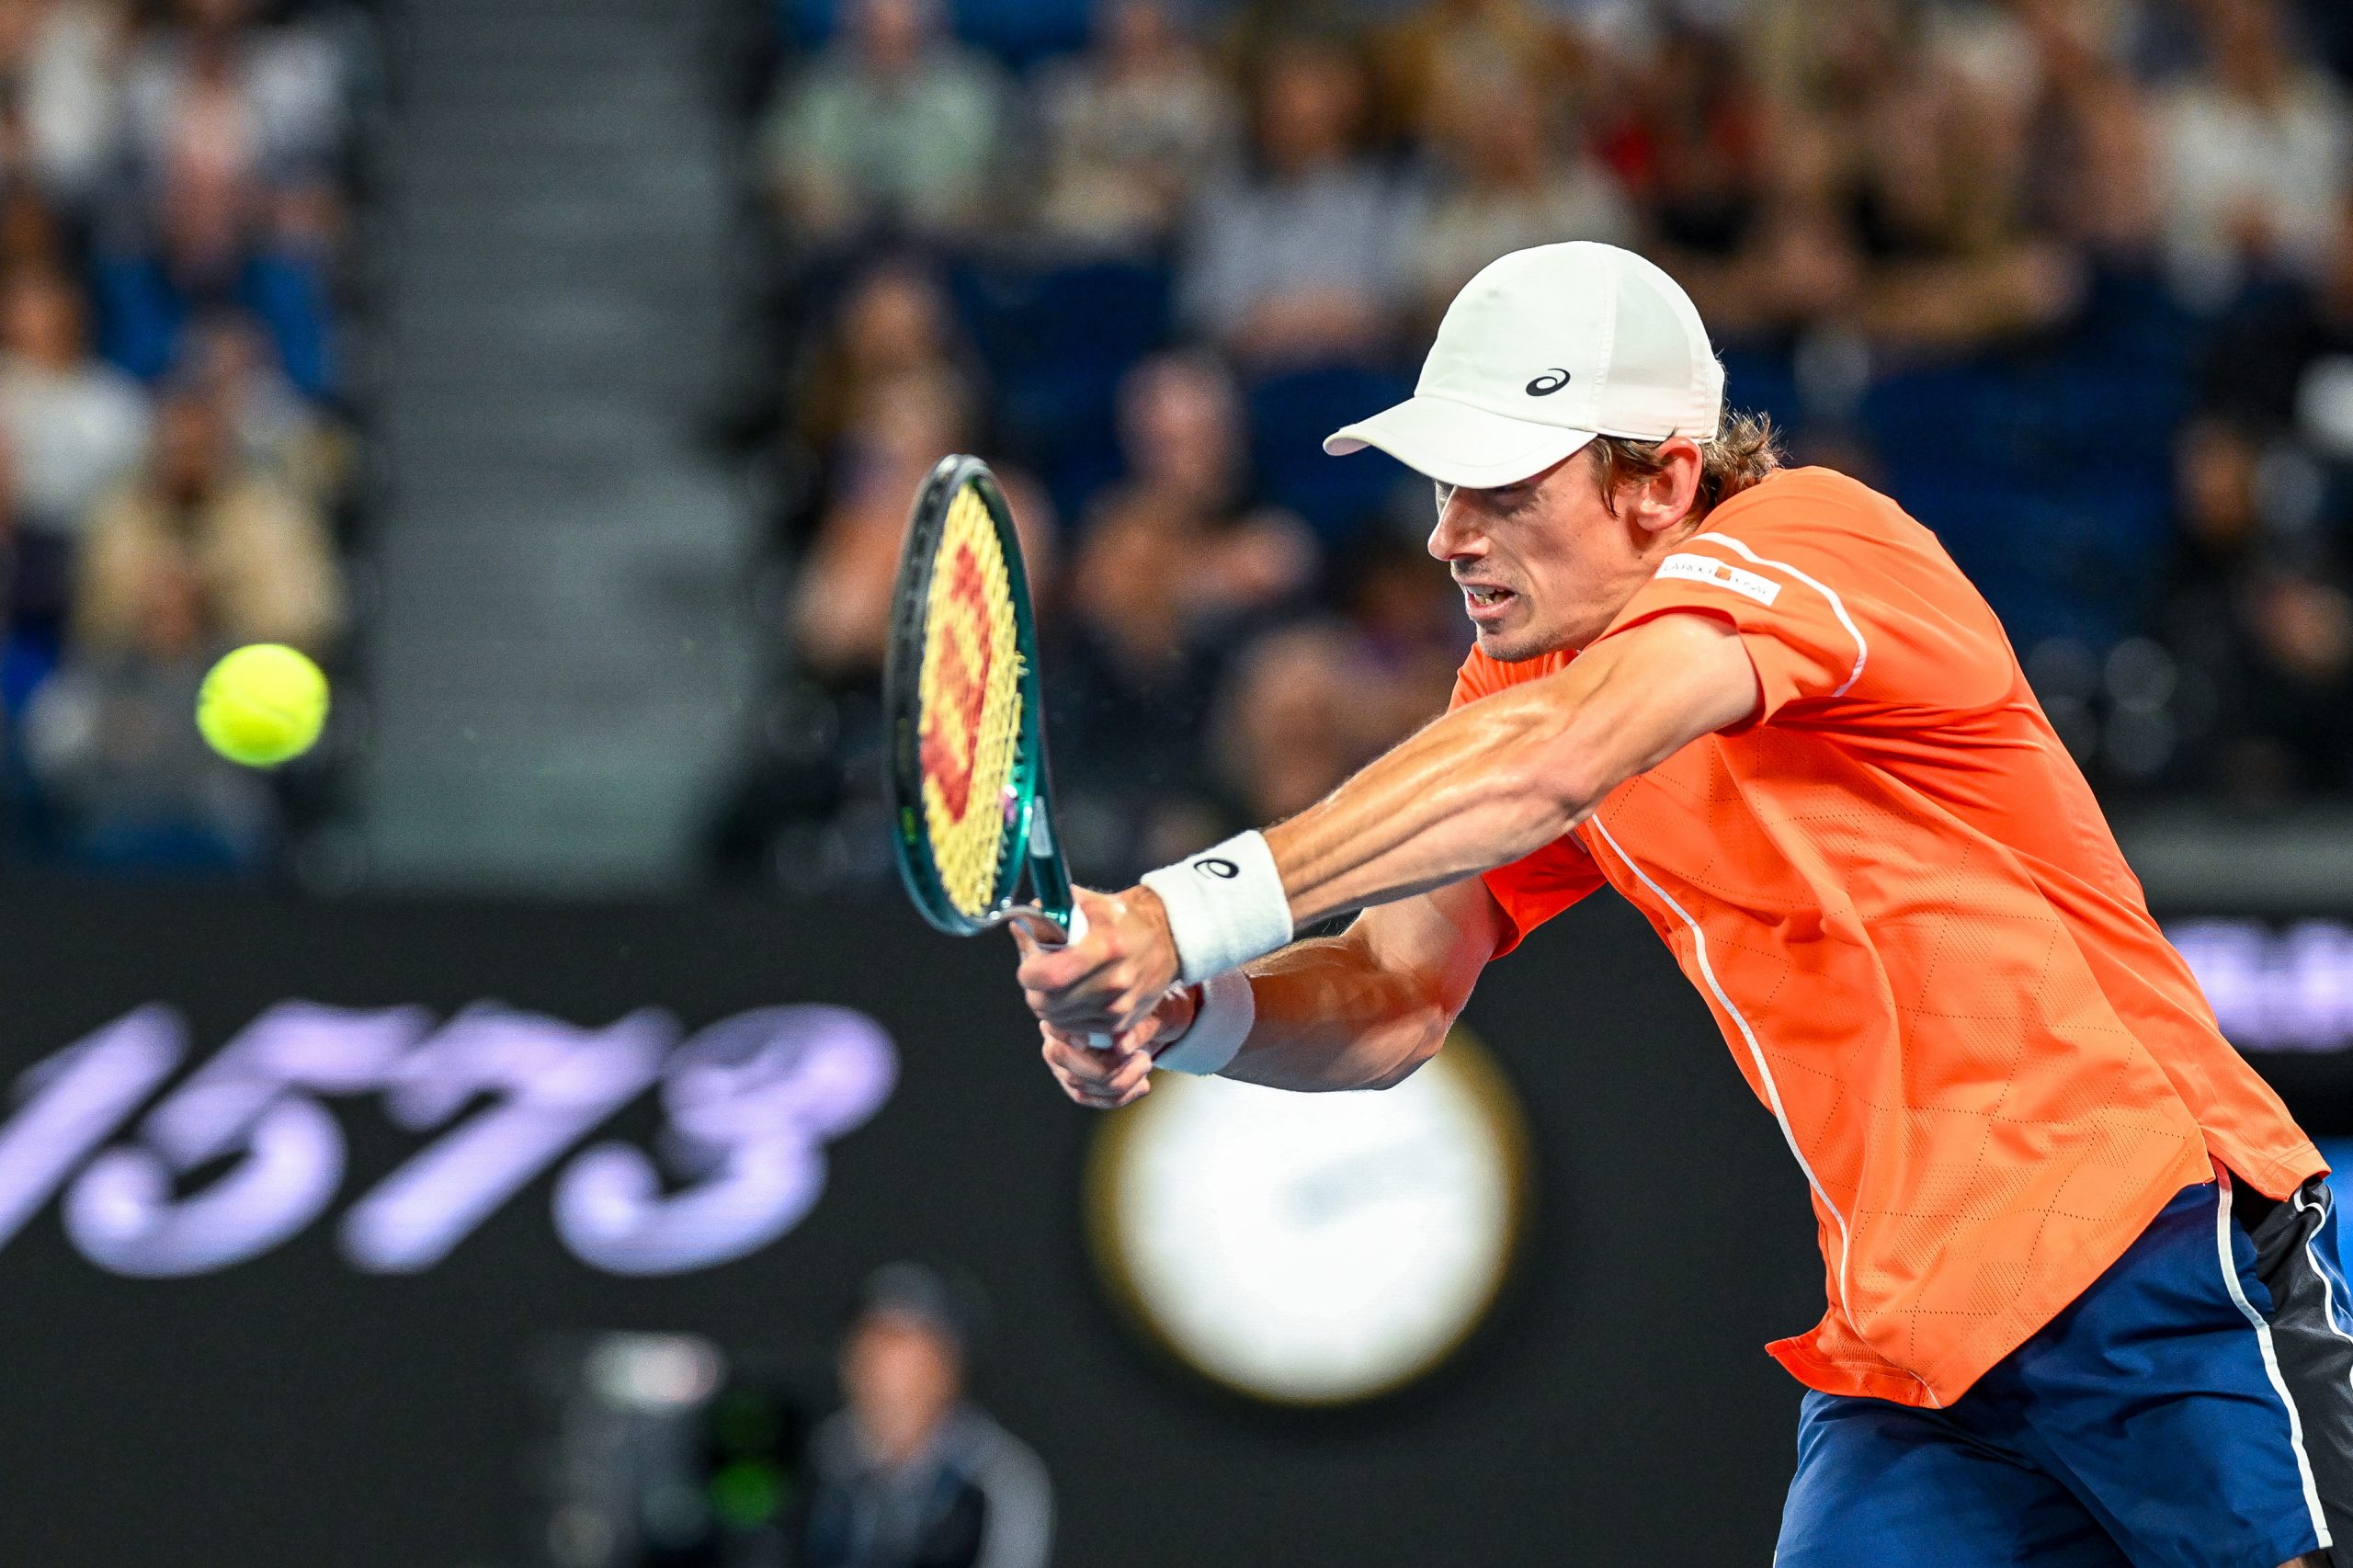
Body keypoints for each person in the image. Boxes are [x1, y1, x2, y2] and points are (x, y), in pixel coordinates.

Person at [1013, 242, 2353, 1567]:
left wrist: (1175, 912)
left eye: (1502, 487)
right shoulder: (1527, 681)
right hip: (1914, 1352)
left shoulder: (1819, 538)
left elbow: (1551, 762)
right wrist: (1182, 1006)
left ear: (1659, 480)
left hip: (2153, 1243)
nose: (1446, 534)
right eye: (1443, 484)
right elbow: (1394, 994)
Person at [800, 1262, 1052, 1568]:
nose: (883, 1366)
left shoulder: (995, 1483)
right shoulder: (813, 1459)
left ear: (950, 1368)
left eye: (903, 1343)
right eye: (872, 1341)